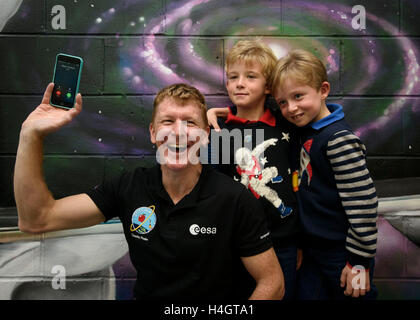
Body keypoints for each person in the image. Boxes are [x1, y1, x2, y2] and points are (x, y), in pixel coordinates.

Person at [14, 82, 285, 300]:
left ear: (205, 135)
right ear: (153, 133)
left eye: (190, 123)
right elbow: (36, 219)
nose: (178, 132)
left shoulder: (234, 199)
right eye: (168, 121)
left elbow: (272, 283)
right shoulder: (129, 186)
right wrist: (30, 134)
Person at [270, 49, 378, 299]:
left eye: (298, 96)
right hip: (313, 250)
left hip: (344, 254)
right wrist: (224, 113)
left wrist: (359, 262)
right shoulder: (305, 130)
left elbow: (364, 204)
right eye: (283, 102)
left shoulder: (337, 140)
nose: (291, 108)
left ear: (323, 90)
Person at [207, 40, 301, 300]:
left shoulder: (287, 125)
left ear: (268, 86)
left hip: (283, 240)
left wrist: (299, 242)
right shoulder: (222, 132)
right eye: (233, 77)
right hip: (236, 242)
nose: (239, 83)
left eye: (250, 77)